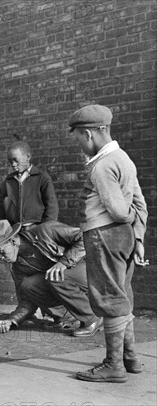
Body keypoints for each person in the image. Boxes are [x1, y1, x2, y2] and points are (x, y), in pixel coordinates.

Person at [68, 104, 148, 383]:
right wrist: (137, 236)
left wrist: (125, 218)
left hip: (104, 236)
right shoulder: (123, 158)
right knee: (122, 295)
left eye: (78, 137)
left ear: (89, 134)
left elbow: (117, 209)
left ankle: (113, 365)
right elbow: (140, 203)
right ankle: (130, 358)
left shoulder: (101, 166)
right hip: (124, 237)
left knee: (109, 298)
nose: (79, 144)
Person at [0, 219, 102, 336]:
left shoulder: (46, 231)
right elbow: (27, 300)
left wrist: (63, 263)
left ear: (12, 241)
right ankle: (68, 318)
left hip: (92, 276)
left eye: (0, 251)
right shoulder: (18, 267)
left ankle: (91, 319)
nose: (1, 258)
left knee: (54, 276)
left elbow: (86, 237)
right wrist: (12, 320)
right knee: (28, 285)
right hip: (67, 285)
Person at [0, 141, 59, 230]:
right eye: (10, 161)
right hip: (14, 232)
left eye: (16, 160)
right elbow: (0, 212)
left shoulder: (42, 178)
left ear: (28, 157)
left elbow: (51, 209)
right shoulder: (8, 182)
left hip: (36, 230)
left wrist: (45, 230)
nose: (13, 164)